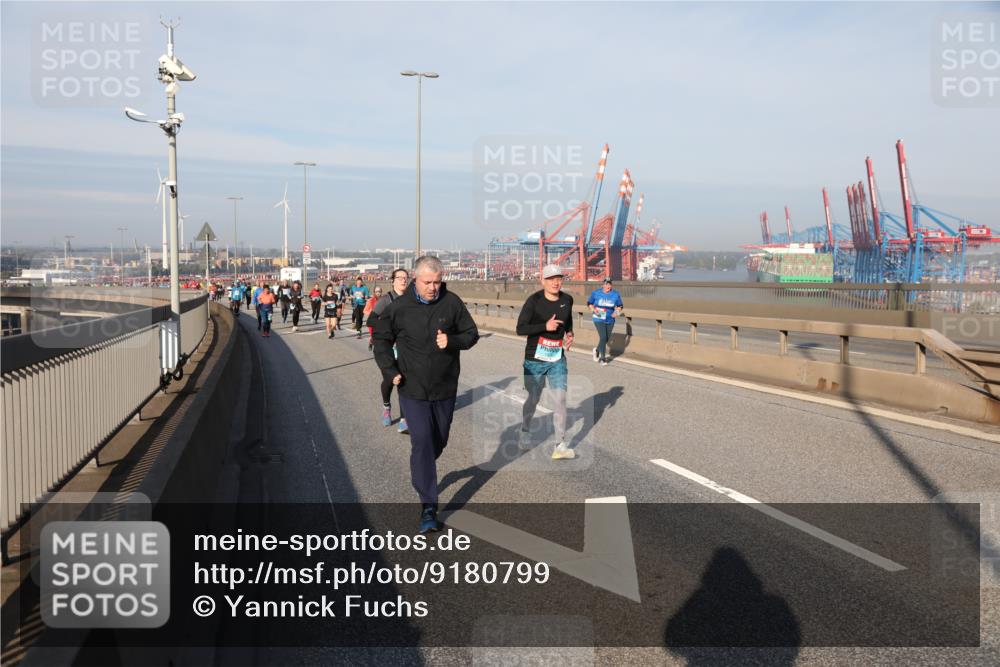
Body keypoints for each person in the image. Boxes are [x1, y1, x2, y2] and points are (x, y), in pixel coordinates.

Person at [372, 256, 479, 533]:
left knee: (437, 442)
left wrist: (452, 341)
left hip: (444, 387)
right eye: (427, 282)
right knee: (421, 441)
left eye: (437, 282)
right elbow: (381, 340)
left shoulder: (452, 302)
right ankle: (428, 506)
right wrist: (390, 370)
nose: (433, 287)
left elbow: (471, 334)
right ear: (415, 280)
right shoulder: (400, 308)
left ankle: (422, 468)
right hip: (412, 388)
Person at [515, 264, 576, 460]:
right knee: (533, 399)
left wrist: (569, 332)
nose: (555, 282)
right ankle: (525, 429)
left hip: (557, 357)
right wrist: (545, 326)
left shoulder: (567, 300)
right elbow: (520, 328)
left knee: (560, 399)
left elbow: (567, 319)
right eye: (550, 279)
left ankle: (560, 445)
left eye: (558, 278)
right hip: (534, 359)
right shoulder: (533, 302)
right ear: (543, 281)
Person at [371, 269, 409, 431]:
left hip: (405, 347)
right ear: (392, 281)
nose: (402, 281)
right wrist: (389, 329)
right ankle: (386, 408)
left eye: (405, 278)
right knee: (390, 380)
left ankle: (404, 419)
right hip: (387, 347)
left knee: (405, 381)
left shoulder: (411, 300)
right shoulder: (386, 300)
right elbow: (371, 320)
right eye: (399, 278)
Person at [587, 278, 624, 366]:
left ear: (611, 285)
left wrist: (617, 312)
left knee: (606, 338)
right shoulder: (596, 293)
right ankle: (602, 359)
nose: (607, 286)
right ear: (602, 285)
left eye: (609, 284)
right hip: (599, 316)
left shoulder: (615, 294)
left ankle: (596, 350)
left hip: (610, 318)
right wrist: (593, 310)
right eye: (606, 284)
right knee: (603, 337)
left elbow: (620, 305)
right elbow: (589, 303)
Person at [363, 286, 382, 350]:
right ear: (374, 292)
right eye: (376, 292)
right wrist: (372, 314)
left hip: (380, 321)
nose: (378, 293)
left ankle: (376, 346)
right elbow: (365, 310)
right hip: (372, 321)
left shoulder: (383, 300)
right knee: (374, 335)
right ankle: (371, 341)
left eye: (379, 291)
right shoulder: (371, 301)